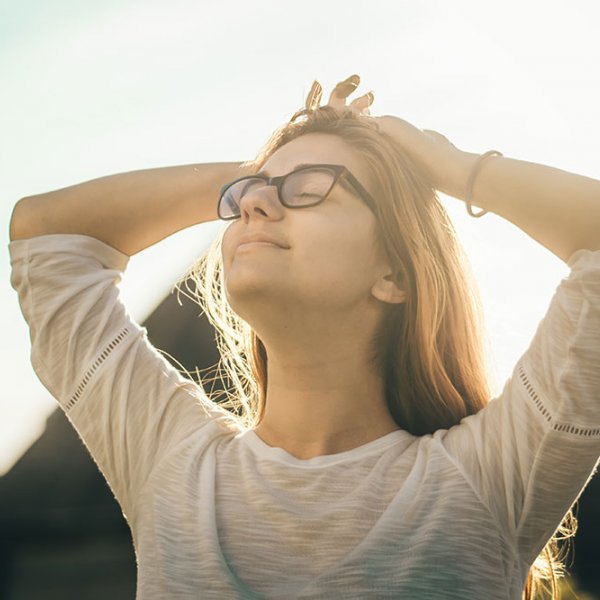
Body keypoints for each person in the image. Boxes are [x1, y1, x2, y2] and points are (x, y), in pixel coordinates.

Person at [9, 74, 600, 599]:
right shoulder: (171, 462)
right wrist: (258, 172)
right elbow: (48, 231)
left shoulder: (489, 476)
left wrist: (447, 166)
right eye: (250, 196)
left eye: (312, 187)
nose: (257, 206)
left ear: (394, 273)